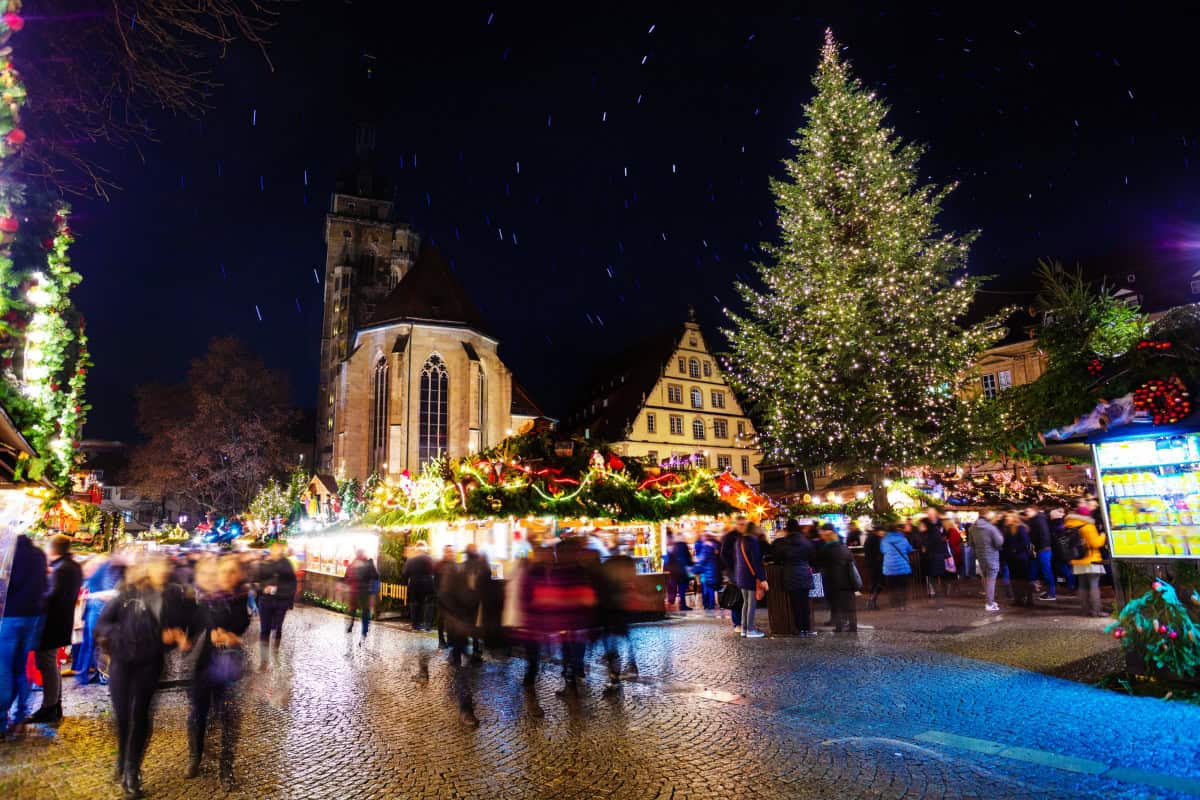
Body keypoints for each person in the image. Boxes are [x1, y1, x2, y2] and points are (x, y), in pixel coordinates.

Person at [98, 556, 192, 799]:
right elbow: (102, 625)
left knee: (140, 715)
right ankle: (122, 758)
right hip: (122, 663)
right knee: (123, 717)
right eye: (159, 566)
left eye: (166, 567)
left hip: (149, 664)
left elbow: (180, 628)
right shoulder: (128, 594)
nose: (164, 570)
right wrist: (125, 637)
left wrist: (176, 639)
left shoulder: (174, 597)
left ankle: (132, 770)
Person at [186, 556, 251, 788]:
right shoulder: (205, 599)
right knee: (197, 714)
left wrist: (230, 636)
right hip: (204, 664)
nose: (227, 577)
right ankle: (195, 757)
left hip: (228, 666)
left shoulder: (239, 599)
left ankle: (226, 767)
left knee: (229, 717)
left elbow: (242, 625)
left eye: (232, 573)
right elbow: (192, 627)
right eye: (224, 572)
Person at [28, 535, 83, 724]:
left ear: (54, 549)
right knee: (51, 663)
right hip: (61, 623)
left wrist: (36, 597)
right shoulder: (71, 566)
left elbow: (53, 596)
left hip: (52, 624)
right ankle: (54, 705)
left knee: (47, 663)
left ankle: (49, 707)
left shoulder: (62, 568)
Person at [0, 534, 47, 737]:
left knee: (4, 669)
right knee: (22, 668)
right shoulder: (38, 554)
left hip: (10, 616)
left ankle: (2, 720)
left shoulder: (8, 556)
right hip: (34, 616)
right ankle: (20, 718)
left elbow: (6, 587)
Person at [74, 556, 122, 686]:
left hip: (98, 613)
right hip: (95, 612)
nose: (87, 570)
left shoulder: (103, 576)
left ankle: (95, 674)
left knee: (94, 645)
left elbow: (112, 594)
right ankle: (92, 673)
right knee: (93, 644)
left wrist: (90, 596)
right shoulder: (97, 577)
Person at [598, 545, 639, 691]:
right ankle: (627, 667)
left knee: (612, 645)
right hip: (619, 613)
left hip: (611, 614)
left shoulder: (608, 570)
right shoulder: (625, 571)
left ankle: (615, 677)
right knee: (623, 640)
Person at [255, 541, 296, 669]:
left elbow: (292, 583)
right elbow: (257, 581)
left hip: (281, 601)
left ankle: (275, 652)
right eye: (273, 549)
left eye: (277, 549)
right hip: (266, 601)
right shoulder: (264, 563)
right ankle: (264, 660)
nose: (274, 551)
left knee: (277, 627)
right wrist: (262, 588)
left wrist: (280, 593)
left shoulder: (286, 564)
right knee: (264, 630)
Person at [772, 519, 817, 636]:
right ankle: (806, 628)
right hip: (805, 574)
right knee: (805, 602)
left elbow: (777, 559)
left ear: (787, 528)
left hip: (790, 574)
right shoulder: (806, 541)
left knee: (795, 603)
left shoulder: (783, 542)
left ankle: (799, 629)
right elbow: (813, 558)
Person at [815, 523, 858, 632]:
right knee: (849, 604)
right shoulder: (844, 547)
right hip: (848, 580)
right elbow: (852, 562)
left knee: (837, 603)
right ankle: (853, 625)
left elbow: (819, 563)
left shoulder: (826, 549)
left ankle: (839, 626)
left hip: (834, 581)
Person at [1067, 504, 1107, 617]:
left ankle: (1084, 610)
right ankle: (1096, 611)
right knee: (1094, 586)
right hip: (1090, 560)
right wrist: (1103, 535)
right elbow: (1096, 543)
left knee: (1082, 587)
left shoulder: (1070, 525)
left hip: (1077, 560)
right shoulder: (1088, 526)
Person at [733, 522, 767, 637]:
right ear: (754, 529)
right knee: (751, 604)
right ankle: (751, 630)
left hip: (741, 575)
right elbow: (756, 561)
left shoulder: (739, 541)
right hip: (750, 576)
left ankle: (744, 629)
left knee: (746, 603)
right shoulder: (752, 541)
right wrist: (762, 578)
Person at [969, 511, 1005, 612]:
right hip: (992, 556)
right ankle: (989, 604)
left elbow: (971, 544)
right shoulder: (991, 528)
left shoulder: (972, 528)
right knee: (991, 581)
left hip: (980, 557)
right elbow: (999, 542)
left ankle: (990, 601)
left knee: (985, 579)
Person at [720, 517, 749, 632]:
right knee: (737, 596)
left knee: (744, 597)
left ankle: (744, 622)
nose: (742, 526)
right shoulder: (731, 537)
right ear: (736, 525)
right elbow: (724, 555)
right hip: (734, 571)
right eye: (740, 524)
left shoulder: (745, 536)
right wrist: (732, 567)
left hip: (743, 570)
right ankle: (737, 623)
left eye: (744, 524)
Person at [343, 549, 379, 638]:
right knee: (365, 611)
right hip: (364, 591)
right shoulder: (368, 563)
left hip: (353, 591)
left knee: (352, 609)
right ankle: (364, 631)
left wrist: (351, 584)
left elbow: (346, 577)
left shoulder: (352, 564)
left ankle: (350, 625)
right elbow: (375, 575)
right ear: (363, 554)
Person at [1002, 512, 1034, 607]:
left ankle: (1028, 599)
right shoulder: (1008, 529)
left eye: (1008, 516)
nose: (1006, 518)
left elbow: (1025, 542)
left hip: (1021, 558)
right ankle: (1018, 599)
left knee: (1023, 579)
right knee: (1015, 579)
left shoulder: (1020, 528)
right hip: (1012, 558)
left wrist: (1014, 549)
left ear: (1014, 518)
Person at [402, 542, 436, 631]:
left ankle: (415, 625)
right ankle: (427, 625)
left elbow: (405, 573)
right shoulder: (429, 558)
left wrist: (407, 583)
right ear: (424, 548)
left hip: (414, 585)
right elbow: (435, 571)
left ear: (416, 549)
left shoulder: (411, 559)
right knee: (428, 606)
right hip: (428, 585)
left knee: (415, 605)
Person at [916, 517, 949, 609]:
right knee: (934, 581)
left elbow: (925, 547)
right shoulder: (933, 533)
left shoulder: (929, 535)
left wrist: (924, 547)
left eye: (921, 525)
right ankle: (940, 602)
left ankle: (940, 603)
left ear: (925, 525)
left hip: (932, 560)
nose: (919, 526)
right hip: (935, 560)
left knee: (934, 581)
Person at [1025, 506, 1056, 601]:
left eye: (1028, 510)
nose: (1026, 512)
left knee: (1046, 571)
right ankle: (1038, 590)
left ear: (1034, 510)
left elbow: (1043, 535)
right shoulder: (1036, 519)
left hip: (1042, 549)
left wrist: (1040, 547)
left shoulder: (1038, 520)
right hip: (1039, 549)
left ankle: (1051, 593)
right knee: (1036, 570)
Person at [880, 524, 914, 610]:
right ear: (897, 530)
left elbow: (882, 550)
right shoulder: (903, 539)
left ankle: (895, 605)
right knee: (903, 586)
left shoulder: (884, 540)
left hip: (889, 567)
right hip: (903, 567)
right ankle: (903, 605)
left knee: (892, 587)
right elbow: (909, 549)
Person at [664, 531, 694, 611]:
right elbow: (688, 558)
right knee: (682, 589)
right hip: (682, 571)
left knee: (672, 588)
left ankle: (671, 604)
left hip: (673, 572)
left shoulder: (672, 547)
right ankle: (682, 605)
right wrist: (690, 566)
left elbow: (668, 560)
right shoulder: (683, 545)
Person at [434, 545, 457, 648]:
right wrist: (438, 593)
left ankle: (451, 639)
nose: (451, 554)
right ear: (444, 553)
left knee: (452, 618)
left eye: (452, 552)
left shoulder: (455, 565)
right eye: (448, 552)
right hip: (442, 596)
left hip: (453, 597)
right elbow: (436, 581)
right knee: (442, 618)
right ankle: (441, 640)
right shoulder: (439, 565)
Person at [694, 534, 720, 610]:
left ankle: (707, 605)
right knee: (710, 588)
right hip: (713, 571)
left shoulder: (706, 547)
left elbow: (701, 559)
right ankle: (711, 604)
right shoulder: (714, 546)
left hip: (706, 572)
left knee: (706, 588)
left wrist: (696, 559)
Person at [864, 525, 885, 610]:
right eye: (882, 531)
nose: (883, 533)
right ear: (878, 531)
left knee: (876, 583)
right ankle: (872, 601)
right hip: (876, 564)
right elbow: (880, 551)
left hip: (873, 564)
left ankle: (871, 600)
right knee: (878, 583)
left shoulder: (871, 538)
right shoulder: (876, 539)